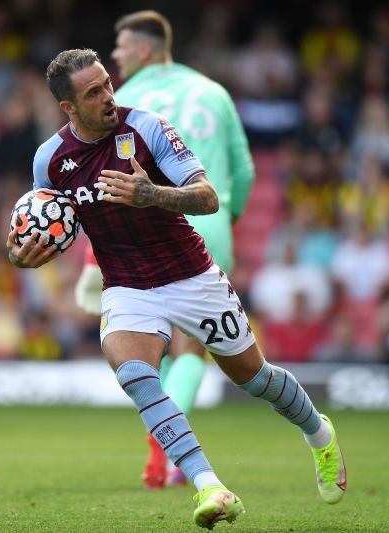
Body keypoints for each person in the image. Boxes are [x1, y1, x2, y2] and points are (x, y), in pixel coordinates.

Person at [6, 48, 346, 530]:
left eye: (107, 83)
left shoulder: (147, 128)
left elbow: (207, 197)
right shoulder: (50, 160)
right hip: (127, 285)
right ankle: (211, 486)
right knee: (135, 374)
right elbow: (45, 222)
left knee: (254, 378)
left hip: (191, 276)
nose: (108, 96)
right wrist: (20, 251)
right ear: (68, 108)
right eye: (93, 92)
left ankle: (318, 432)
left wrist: (151, 195)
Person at [73, 10, 256, 489]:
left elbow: (101, 183)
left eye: (121, 47)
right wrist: (227, 225)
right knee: (193, 345)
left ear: (146, 50)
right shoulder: (214, 92)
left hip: (147, 225)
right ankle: (172, 453)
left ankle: (163, 444)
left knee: (153, 343)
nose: (114, 57)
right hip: (210, 221)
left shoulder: (123, 101)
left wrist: (95, 253)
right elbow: (245, 171)